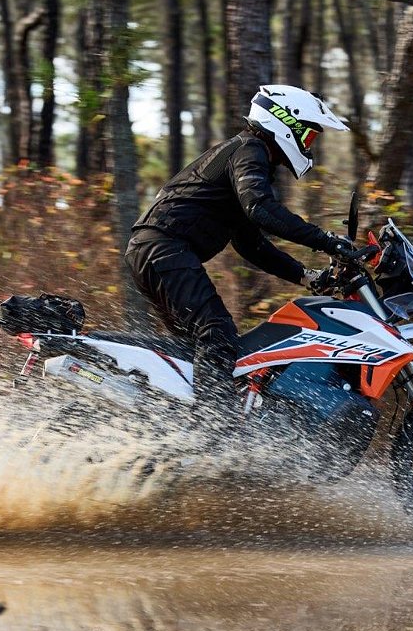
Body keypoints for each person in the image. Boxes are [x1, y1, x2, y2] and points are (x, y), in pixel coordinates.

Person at [124, 84, 353, 418]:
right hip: (162, 249)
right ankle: (215, 428)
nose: (308, 145)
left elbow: (252, 244)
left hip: (156, 250)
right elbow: (262, 209)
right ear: (284, 122)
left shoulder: (246, 155)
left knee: (197, 351)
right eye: (308, 136)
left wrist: (306, 276)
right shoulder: (249, 149)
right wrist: (327, 241)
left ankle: (170, 422)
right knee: (216, 334)